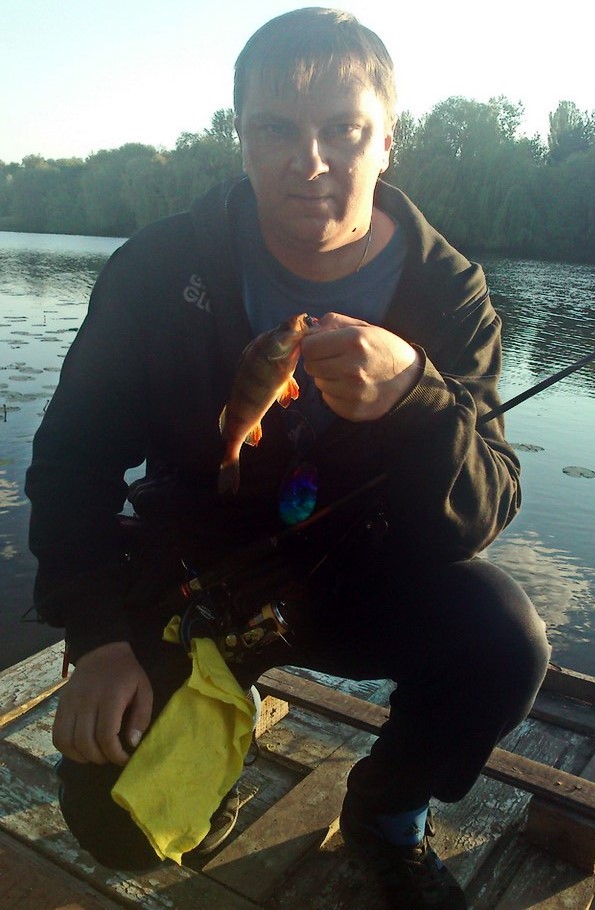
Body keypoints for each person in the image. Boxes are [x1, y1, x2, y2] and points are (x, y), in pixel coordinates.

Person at [25, 8, 550, 909]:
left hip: (364, 579)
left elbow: (477, 513)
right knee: (117, 822)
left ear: (387, 141)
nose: (309, 162)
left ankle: (386, 812)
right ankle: (216, 722)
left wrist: (417, 397)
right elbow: (74, 458)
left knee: (502, 641)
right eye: (275, 130)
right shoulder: (158, 268)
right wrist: (97, 635)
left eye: (343, 130)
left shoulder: (448, 290)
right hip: (199, 575)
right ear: (240, 138)